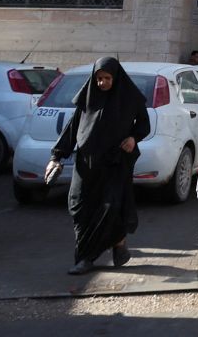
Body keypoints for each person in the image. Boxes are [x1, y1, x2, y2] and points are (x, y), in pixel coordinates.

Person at [46, 57, 151, 276]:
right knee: (79, 207)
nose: (102, 83)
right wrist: (56, 157)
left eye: (107, 78)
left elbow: (143, 125)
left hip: (114, 164)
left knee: (109, 208)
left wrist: (133, 138)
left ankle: (85, 258)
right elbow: (72, 128)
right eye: (99, 79)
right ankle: (118, 241)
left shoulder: (130, 98)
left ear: (116, 78)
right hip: (86, 164)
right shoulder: (88, 98)